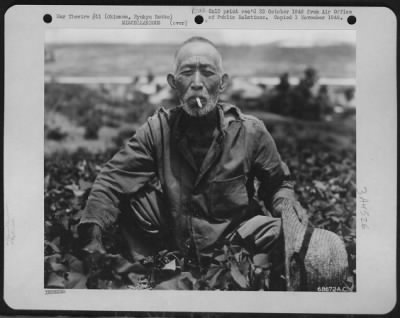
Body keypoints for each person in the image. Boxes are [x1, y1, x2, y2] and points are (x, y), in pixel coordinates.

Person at [79, 36, 306, 286]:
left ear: (222, 83)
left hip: (236, 250)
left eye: (207, 73)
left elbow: (278, 184)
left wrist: (286, 208)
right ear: (173, 83)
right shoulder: (157, 130)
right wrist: (92, 241)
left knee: (279, 233)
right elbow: (110, 182)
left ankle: (234, 273)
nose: (197, 84)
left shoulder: (251, 132)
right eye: (187, 72)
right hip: (175, 251)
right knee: (130, 197)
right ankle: (157, 267)